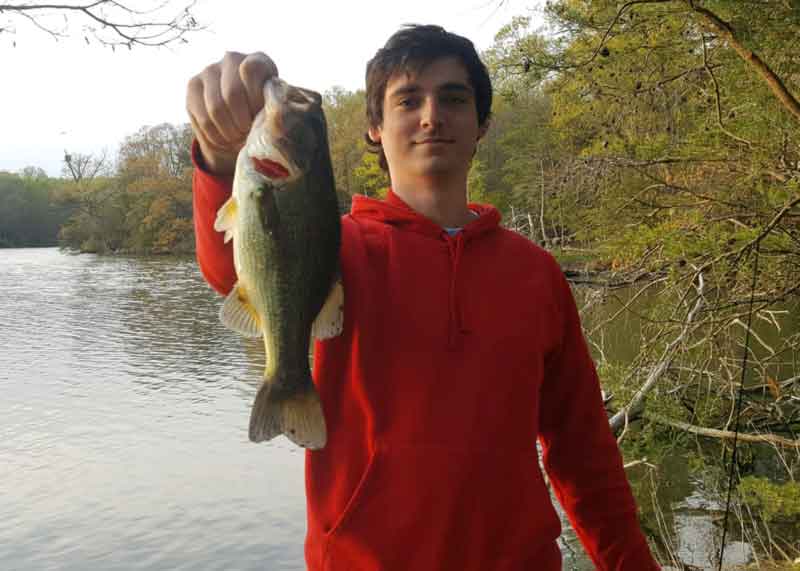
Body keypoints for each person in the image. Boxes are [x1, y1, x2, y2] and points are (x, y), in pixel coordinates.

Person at [186, 24, 661, 571]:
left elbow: (584, 454)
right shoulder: (336, 249)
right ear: (374, 127)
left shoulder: (537, 274)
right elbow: (231, 269)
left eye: (454, 99)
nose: (432, 116)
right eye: (408, 100)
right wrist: (220, 156)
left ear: (482, 125)